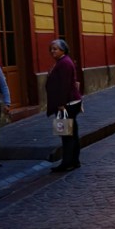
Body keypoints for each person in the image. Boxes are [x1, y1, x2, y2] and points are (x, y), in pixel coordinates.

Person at [46, 39, 83, 172]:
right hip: (69, 103)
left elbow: (64, 85)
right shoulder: (62, 62)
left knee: (66, 135)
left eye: (55, 49)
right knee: (71, 133)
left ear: (63, 50)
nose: (52, 51)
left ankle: (67, 163)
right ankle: (74, 161)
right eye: (51, 49)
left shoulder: (64, 63)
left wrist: (61, 104)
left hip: (66, 104)